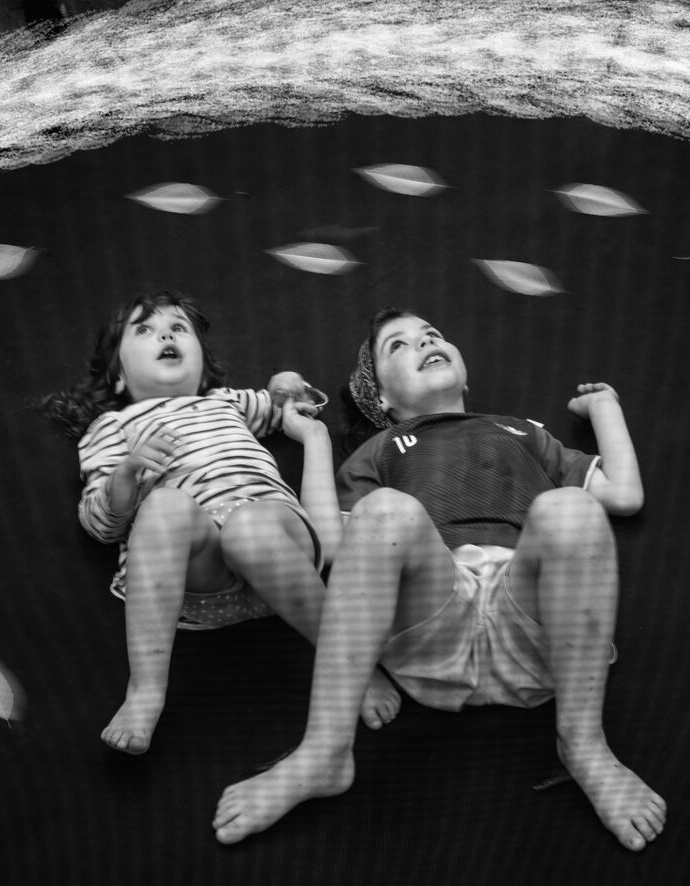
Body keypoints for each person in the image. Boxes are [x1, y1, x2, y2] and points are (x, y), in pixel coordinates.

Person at [214, 308, 666, 851]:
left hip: (536, 619)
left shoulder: (523, 431)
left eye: (432, 334)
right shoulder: (380, 449)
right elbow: (333, 544)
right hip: (434, 616)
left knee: (571, 508)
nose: (425, 342)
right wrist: (314, 440)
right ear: (382, 399)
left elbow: (623, 494)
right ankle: (325, 750)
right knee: (385, 512)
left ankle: (583, 744)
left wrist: (605, 408)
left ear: (464, 377)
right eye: (398, 345)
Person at [41, 290, 399, 755]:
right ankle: (146, 692)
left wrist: (287, 386)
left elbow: (286, 407)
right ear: (118, 375)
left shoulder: (224, 401)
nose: (165, 335)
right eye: (145, 331)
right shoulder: (112, 429)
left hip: (277, 548)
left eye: (178, 328)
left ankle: (352, 665)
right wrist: (127, 474)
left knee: (249, 526)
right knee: (164, 507)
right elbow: (100, 524)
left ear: (202, 363)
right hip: (202, 577)